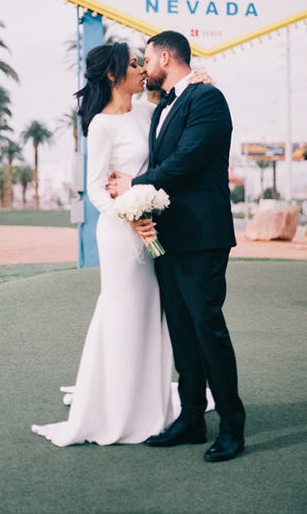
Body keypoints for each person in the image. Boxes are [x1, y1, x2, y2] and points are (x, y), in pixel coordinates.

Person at [31, 42, 211, 447]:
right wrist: (129, 217)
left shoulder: (150, 111)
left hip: (154, 231)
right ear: (114, 76)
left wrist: (199, 80)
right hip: (122, 235)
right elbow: (95, 190)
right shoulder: (101, 125)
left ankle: (152, 403)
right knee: (123, 314)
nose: (141, 70)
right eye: (134, 64)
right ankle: (118, 407)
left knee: (154, 318)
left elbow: (178, 108)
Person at [109, 31, 246, 463]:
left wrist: (134, 185)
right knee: (182, 331)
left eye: (146, 60)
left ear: (165, 58)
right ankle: (191, 419)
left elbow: (186, 160)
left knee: (207, 327)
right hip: (166, 237)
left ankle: (232, 426)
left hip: (202, 237)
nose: (144, 68)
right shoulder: (163, 105)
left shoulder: (207, 100)